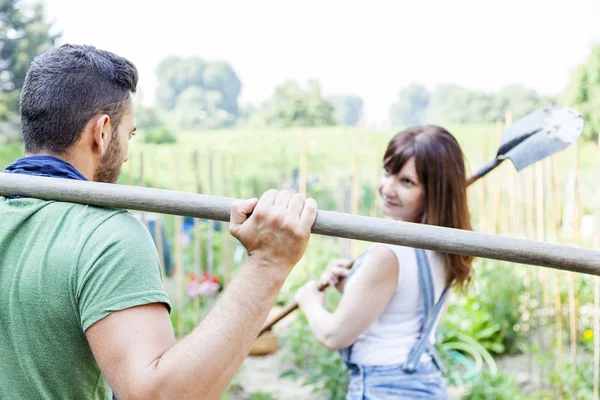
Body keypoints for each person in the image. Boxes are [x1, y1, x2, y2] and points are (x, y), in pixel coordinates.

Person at [0, 44, 317, 400]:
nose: (128, 153)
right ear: (102, 132)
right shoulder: (103, 235)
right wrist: (269, 264)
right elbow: (158, 395)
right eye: (129, 134)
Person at [294, 125, 474, 399]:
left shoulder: (390, 252)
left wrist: (308, 300)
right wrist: (353, 285)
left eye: (407, 182)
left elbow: (334, 336)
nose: (388, 188)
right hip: (424, 382)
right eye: (388, 172)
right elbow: (406, 306)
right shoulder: (447, 243)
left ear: (434, 191)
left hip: (385, 386)